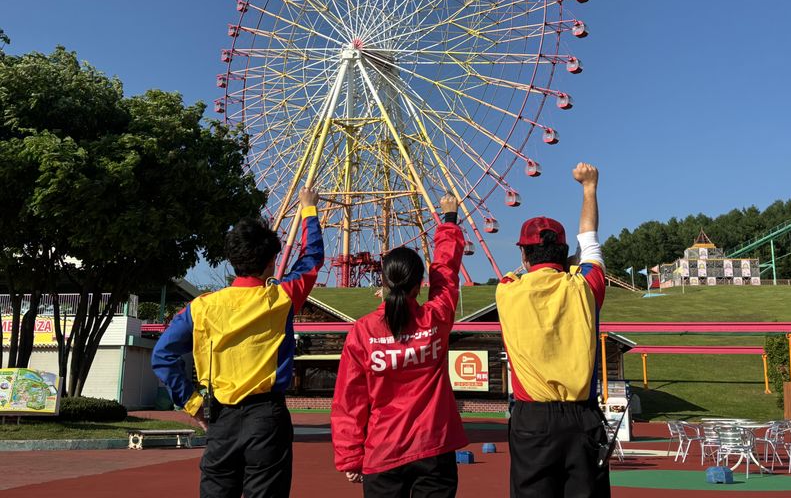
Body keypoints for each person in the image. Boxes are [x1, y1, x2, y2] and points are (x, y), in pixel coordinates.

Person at [151, 187, 322, 498]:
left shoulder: (202, 307)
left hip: (222, 417)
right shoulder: (281, 297)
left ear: (232, 260)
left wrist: (193, 405)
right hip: (267, 418)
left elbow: (162, 356)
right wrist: (308, 208)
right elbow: (312, 258)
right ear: (272, 260)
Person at [331, 195, 468, 498]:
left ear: (382, 281)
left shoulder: (364, 331)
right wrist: (448, 221)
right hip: (434, 448)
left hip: (383, 452)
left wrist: (350, 454)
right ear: (419, 285)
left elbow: (349, 400)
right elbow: (445, 272)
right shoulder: (436, 318)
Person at [496, 163, 609, 498]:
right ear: (564, 255)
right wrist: (589, 187)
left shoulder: (507, 291)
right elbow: (589, 240)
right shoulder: (587, 287)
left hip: (532, 419)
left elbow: (578, 252)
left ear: (524, 254)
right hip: (582, 416)